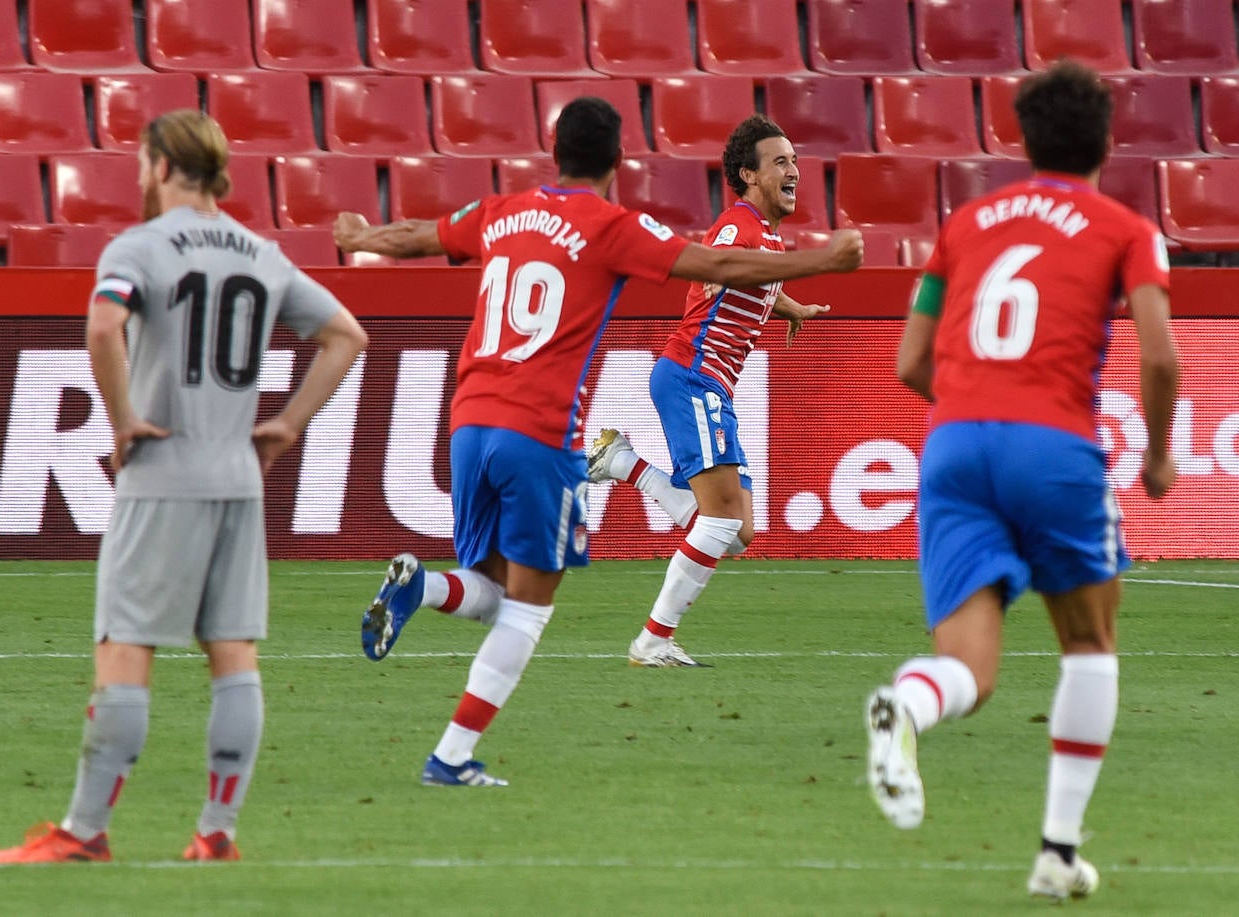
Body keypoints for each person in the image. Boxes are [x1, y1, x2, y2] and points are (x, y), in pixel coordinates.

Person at [333, 97, 863, 787]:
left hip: (467, 423)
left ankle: (421, 588)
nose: (793, 170)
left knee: (495, 590)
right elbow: (719, 266)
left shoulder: (500, 210)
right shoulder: (612, 225)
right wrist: (827, 258)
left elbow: (415, 237)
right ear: (619, 160)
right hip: (540, 429)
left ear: (554, 153)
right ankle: (453, 755)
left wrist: (360, 232)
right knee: (529, 606)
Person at [0, 110, 368, 864]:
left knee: (125, 649)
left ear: (160, 165)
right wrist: (286, 425)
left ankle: (85, 829)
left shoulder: (139, 247)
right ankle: (216, 833)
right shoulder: (263, 253)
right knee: (233, 653)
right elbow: (347, 335)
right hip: (238, 477)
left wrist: (124, 419)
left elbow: (103, 329)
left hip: (163, 478)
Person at [861, 60, 1179, 901]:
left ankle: (908, 706)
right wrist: (1156, 453)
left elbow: (910, 363)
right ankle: (1058, 848)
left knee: (969, 664)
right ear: (1107, 142)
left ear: (1022, 141)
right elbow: (1159, 354)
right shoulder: (1125, 229)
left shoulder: (967, 223)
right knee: (1089, 643)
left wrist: (972, 407)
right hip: (1054, 446)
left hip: (954, 445)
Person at [585, 114, 832, 667]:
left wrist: (790, 307)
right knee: (718, 521)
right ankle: (652, 641)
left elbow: (753, 278)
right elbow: (718, 266)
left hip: (710, 386)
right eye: (780, 162)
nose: (794, 170)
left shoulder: (765, 237)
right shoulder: (737, 227)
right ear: (748, 175)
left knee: (737, 530)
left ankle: (622, 462)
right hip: (693, 376)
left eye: (795, 160)